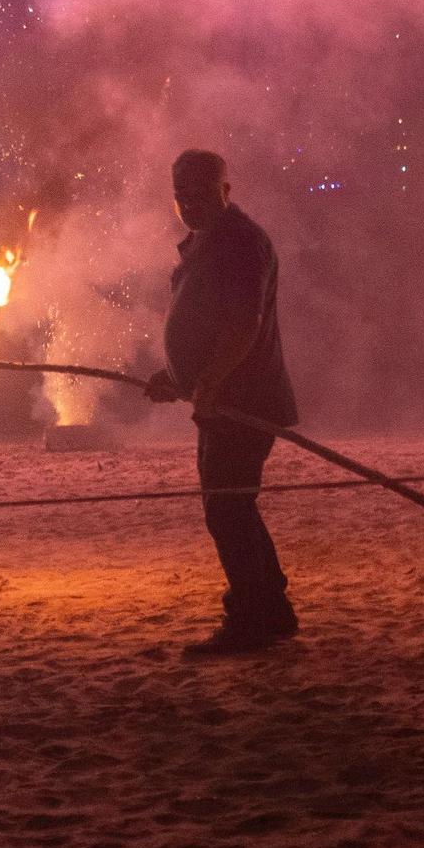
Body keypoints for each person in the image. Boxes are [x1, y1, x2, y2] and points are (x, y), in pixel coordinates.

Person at [145, 149, 301, 656]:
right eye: (180, 196)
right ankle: (269, 609)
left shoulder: (240, 241)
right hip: (219, 398)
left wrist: (208, 383)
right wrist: (177, 376)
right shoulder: (206, 243)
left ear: (226, 190)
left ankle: (254, 620)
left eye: (199, 193)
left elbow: (241, 325)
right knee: (230, 507)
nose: (188, 205)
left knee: (228, 509)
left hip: (243, 400)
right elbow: (206, 324)